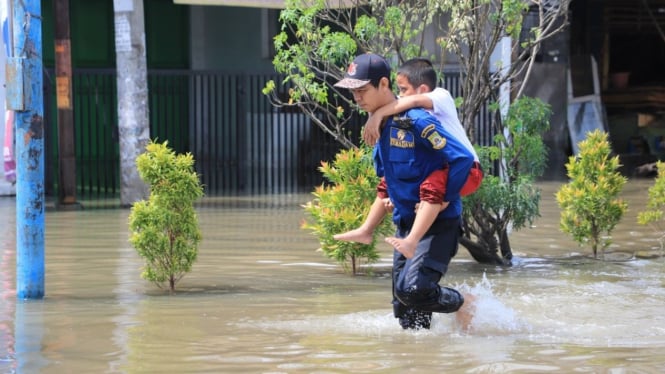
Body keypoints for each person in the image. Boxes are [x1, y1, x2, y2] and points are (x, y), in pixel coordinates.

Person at [333, 52, 475, 330]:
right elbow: (388, 177)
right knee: (405, 310)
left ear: (383, 84)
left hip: (438, 226)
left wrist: (445, 198)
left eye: (362, 90)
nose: (357, 98)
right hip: (404, 224)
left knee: (415, 291)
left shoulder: (417, 120)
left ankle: (464, 302)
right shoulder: (379, 125)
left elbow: (462, 159)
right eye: (353, 93)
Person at [336, 58, 483, 259]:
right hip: (445, 169)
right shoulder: (398, 120)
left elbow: (410, 102)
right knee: (387, 182)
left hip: (468, 169)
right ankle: (366, 229)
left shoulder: (437, 99)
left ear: (422, 89)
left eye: (403, 89)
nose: (400, 97)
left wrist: (378, 114)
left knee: (434, 187)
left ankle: (412, 240)